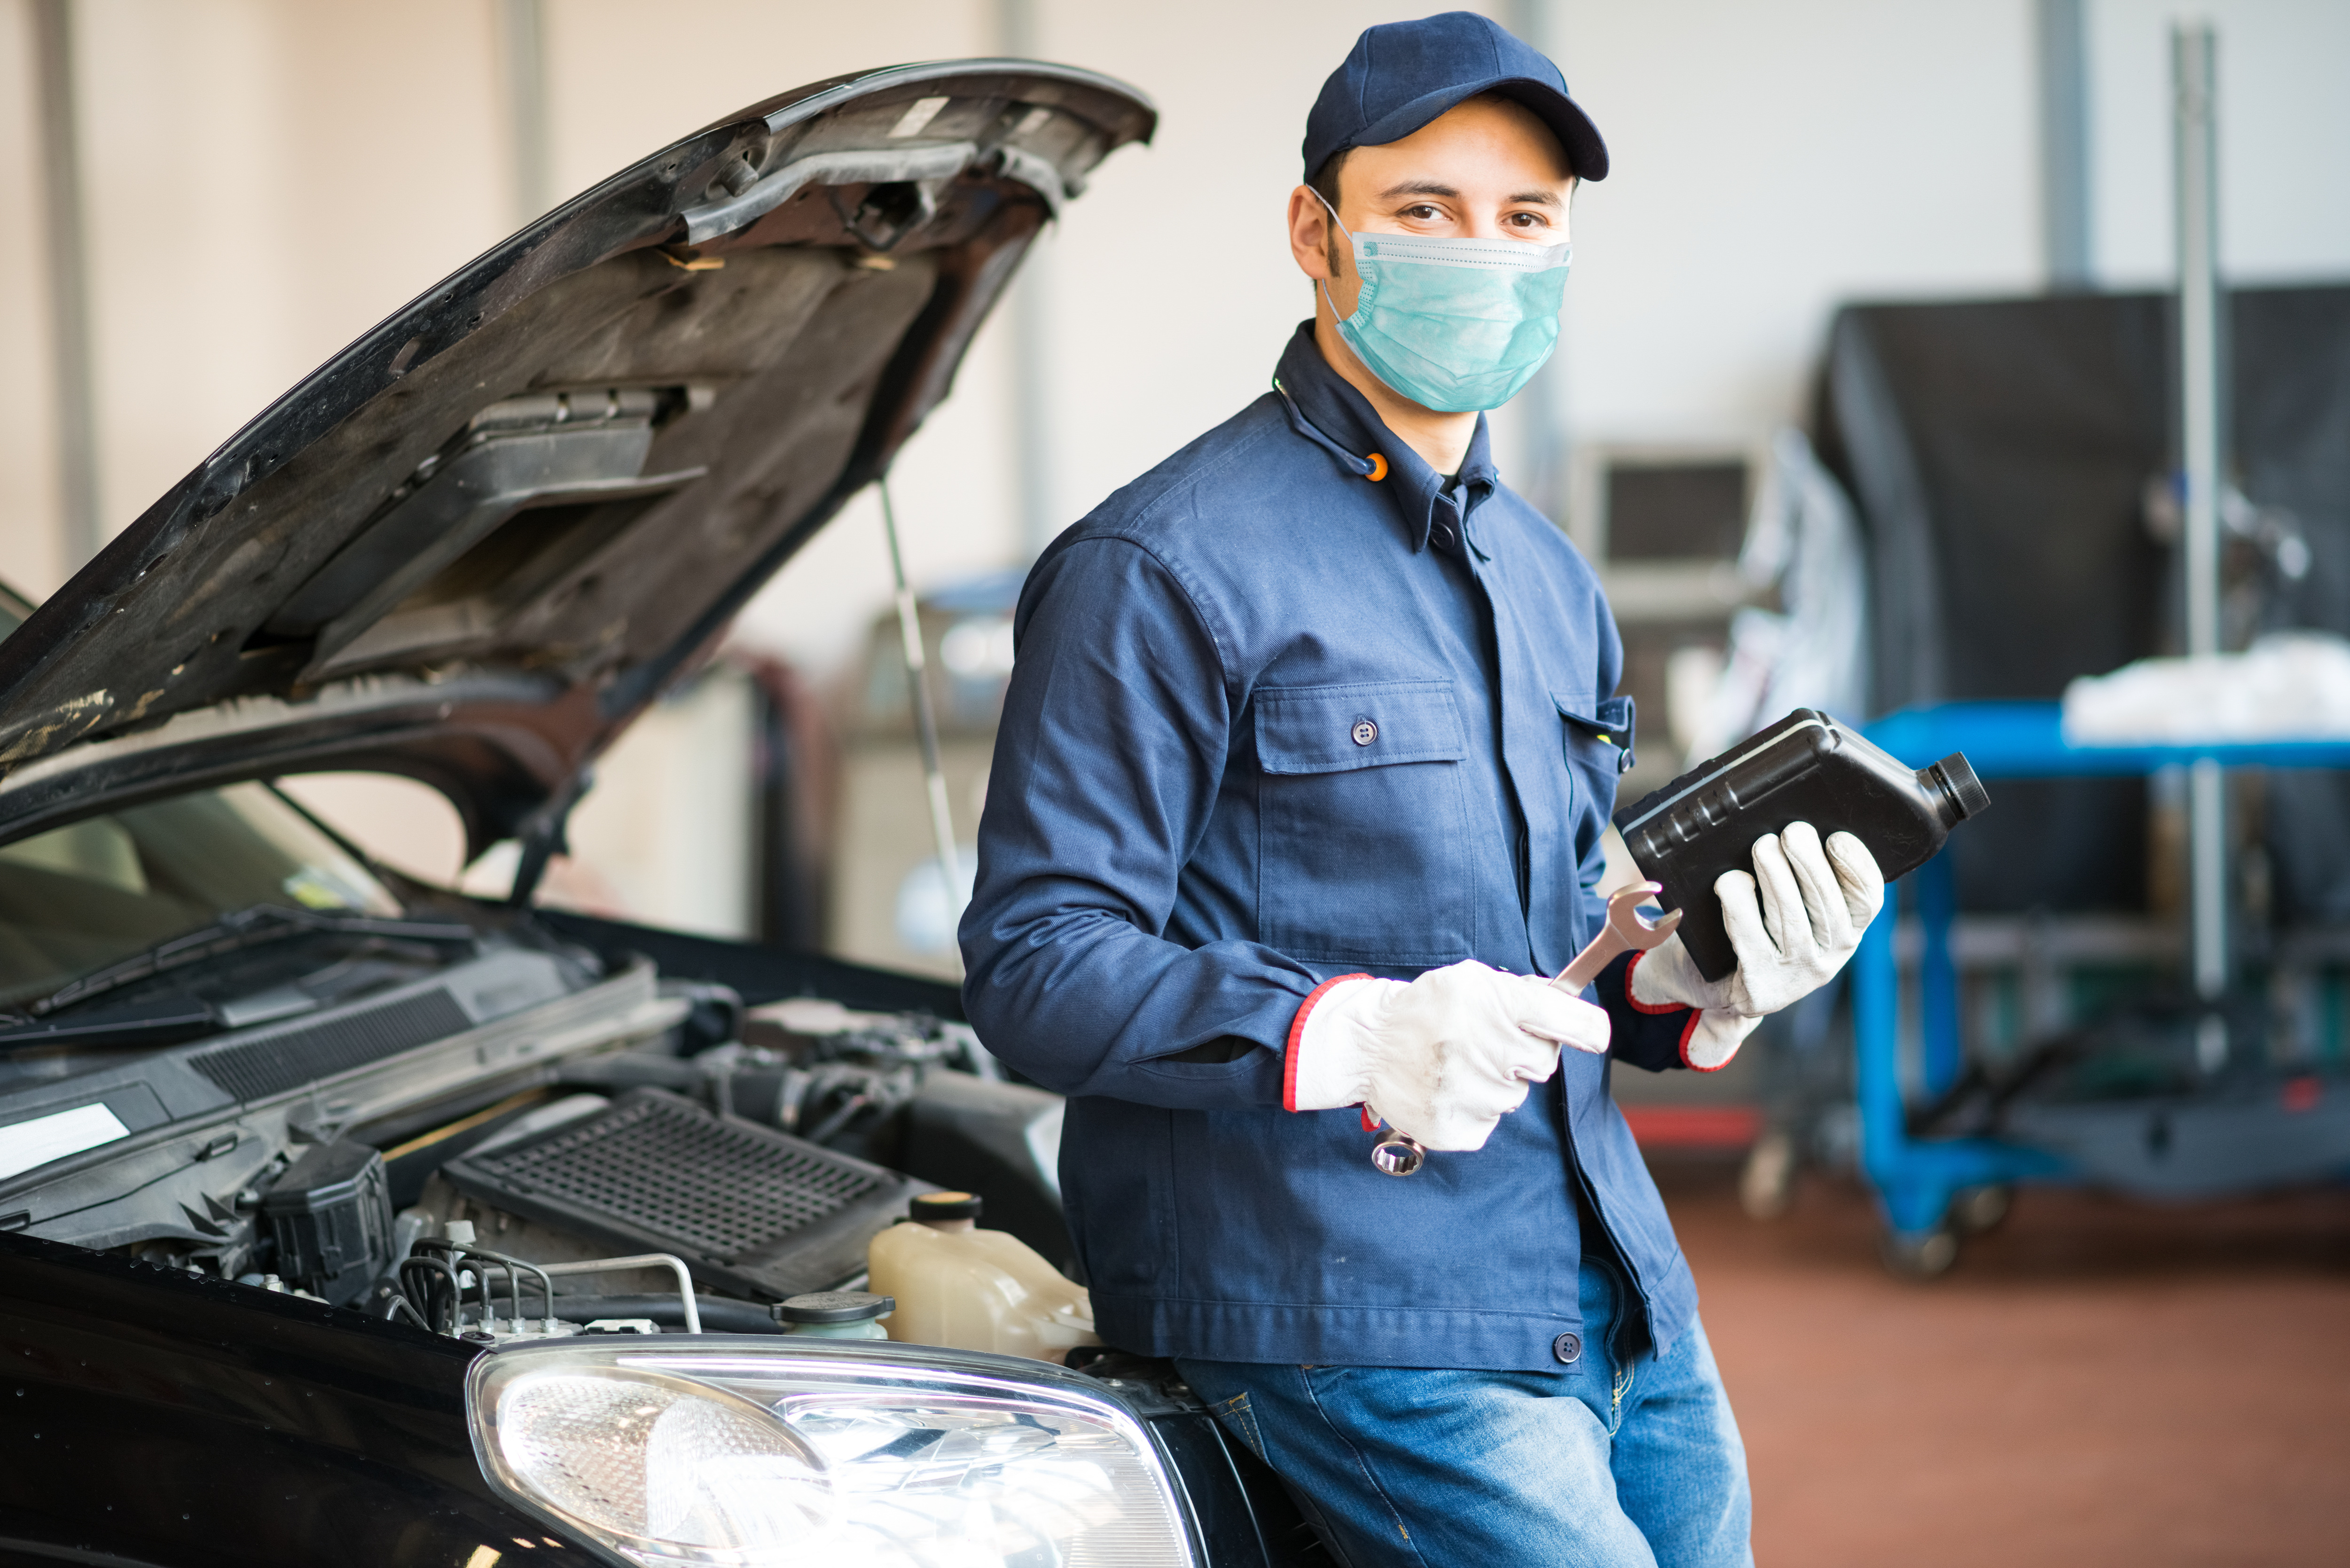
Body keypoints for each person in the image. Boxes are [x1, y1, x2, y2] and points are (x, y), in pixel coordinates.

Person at [960, 13, 1881, 1564]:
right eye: (1425, 213)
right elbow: (1037, 962)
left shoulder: (1548, 580)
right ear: (1317, 235)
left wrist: (1698, 975)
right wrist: (1354, 1034)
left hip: (1606, 1278)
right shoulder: (1158, 570)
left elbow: (1564, 930)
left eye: (1526, 222)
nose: (1485, 257)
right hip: (1343, 1303)